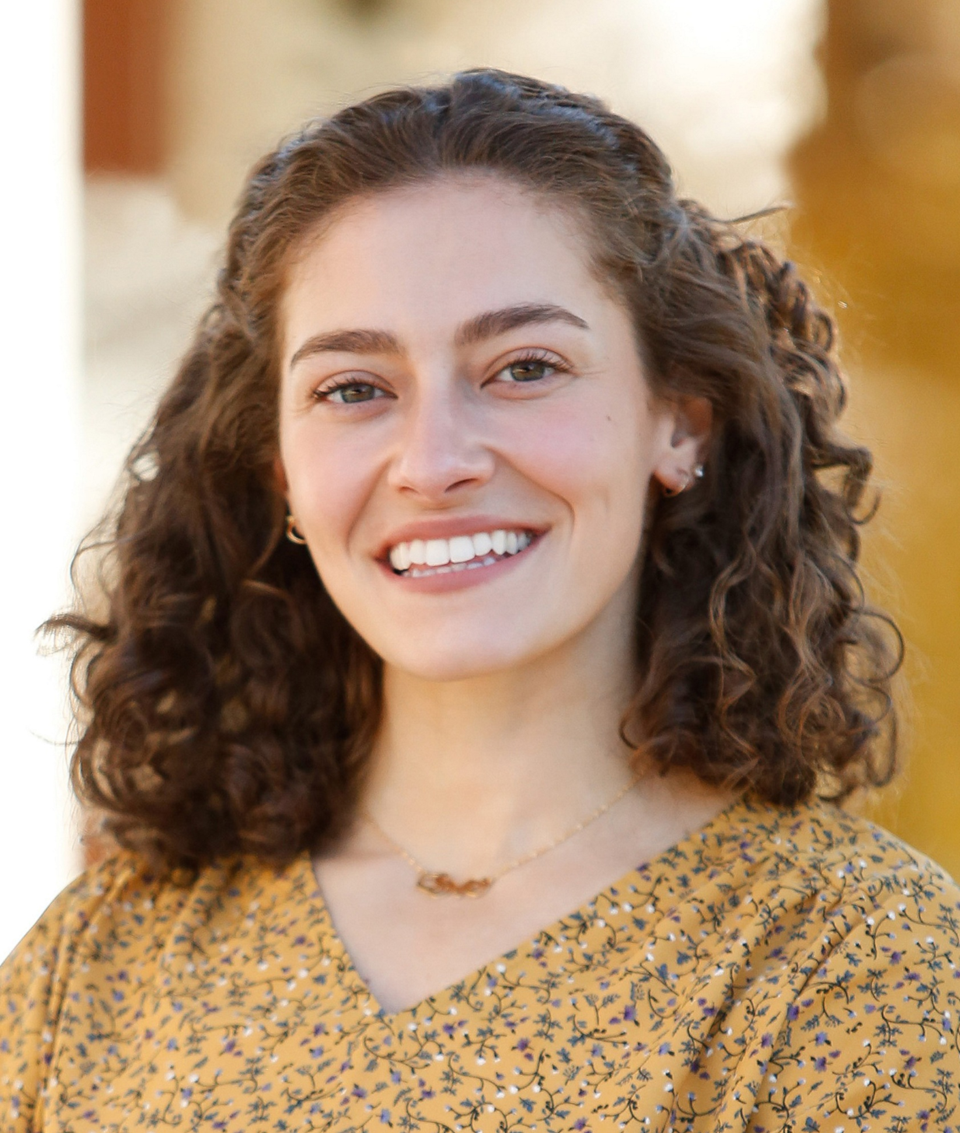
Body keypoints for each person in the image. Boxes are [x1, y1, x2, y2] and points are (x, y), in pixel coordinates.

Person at [2, 68, 958, 1132]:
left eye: (524, 367)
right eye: (353, 388)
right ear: (280, 469)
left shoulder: (857, 968)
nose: (434, 461)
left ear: (678, 422)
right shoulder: (94, 967)